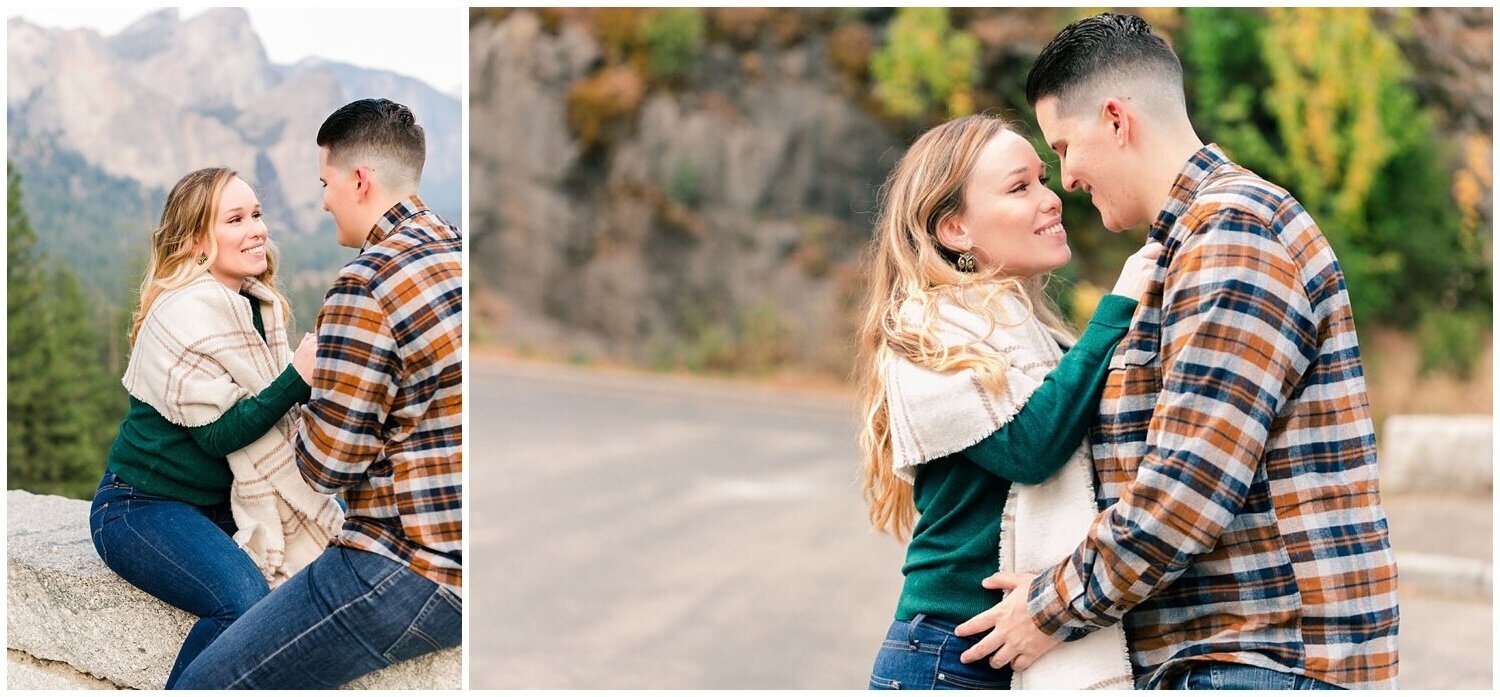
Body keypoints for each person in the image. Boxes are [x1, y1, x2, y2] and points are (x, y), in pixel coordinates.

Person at [953, 13, 1400, 691]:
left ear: (1116, 120)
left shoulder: (1232, 234)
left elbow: (1185, 488)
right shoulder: (1185, 245)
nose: (1066, 178)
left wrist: (1045, 609)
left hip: (1262, 661)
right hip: (1228, 659)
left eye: (1065, 146)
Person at [855, 113, 1161, 690]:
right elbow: (1030, 446)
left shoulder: (1042, 339)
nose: (1051, 200)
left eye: (1043, 180)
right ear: (954, 230)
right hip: (952, 654)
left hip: (1011, 642)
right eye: (1020, 188)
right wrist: (1118, 307)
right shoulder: (927, 332)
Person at [174, 98, 462, 689]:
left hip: (404, 564)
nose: (323, 199)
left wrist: (306, 395)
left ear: (359, 180)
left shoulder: (368, 282)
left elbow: (327, 468)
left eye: (325, 182)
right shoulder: (453, 251)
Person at [88, 167, 344, 689]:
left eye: (257, 214)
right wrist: (299, 376)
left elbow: (273, 417)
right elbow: (218, 434)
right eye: (236, 219)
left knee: (329, 558)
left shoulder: (256, 306)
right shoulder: (179, 313)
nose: (257, 229)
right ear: (198, 242)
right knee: (243, 602)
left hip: (214, 506)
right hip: (141, 506)